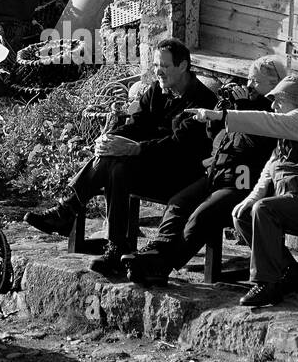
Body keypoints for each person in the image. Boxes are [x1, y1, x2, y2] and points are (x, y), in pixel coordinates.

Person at [24, 37, 216, 276]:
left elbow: (179, 147)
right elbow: (137, 124)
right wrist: (109, 139)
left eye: (164, 67)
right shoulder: (158, 89)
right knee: (112, 162)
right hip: (151, 165)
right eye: (156, 65)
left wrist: (136, 149)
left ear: (183, 66)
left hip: (181, 176)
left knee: (119, 166)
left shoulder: (203, 101)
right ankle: (112, 244)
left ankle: (71, 213)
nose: (158, 71)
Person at [185, 74, 298, 307]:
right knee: (244, 213)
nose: (273, 106)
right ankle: (290, 272)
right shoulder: (290, 125)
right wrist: (251, 198)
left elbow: (267, 121)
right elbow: (271, 167)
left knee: (265, 210)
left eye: (278, 100)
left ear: (294, 100)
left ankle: (266, 284)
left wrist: (221, 115)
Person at [126, 56, 285, 286]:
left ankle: (162, 265)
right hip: (216, 174)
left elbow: (258, 145)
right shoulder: (244, 105)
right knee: (178, 202)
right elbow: (216, 139)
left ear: (275, 84)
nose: (249, 86)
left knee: (201, 216)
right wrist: (217, 115)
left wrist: (240, 109)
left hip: (243, 182)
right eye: (249, 79)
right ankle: (157, 251)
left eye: (256, 82)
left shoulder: (275, 112)